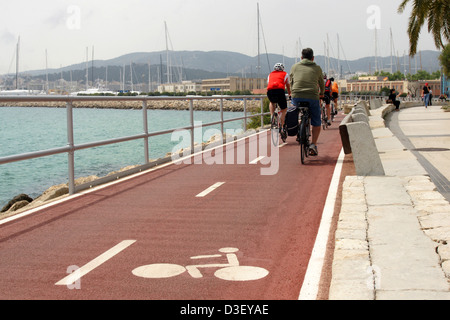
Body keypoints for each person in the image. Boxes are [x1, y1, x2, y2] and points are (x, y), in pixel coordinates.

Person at [290, 48, 325, 156]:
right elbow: (321, 83)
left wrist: (293, 92)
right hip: (312, 96)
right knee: (316, 120)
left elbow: (291, 81)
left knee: (297, 110)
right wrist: (322, 94)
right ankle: (313, 144)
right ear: (313, 58)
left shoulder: (294, 67)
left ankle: (300, 125)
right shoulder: (317, 68)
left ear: (301, 58)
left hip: (296, 96)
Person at [267, 62, 291, 140]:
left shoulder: (270, 74)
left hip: (270, 91)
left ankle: (272, 116)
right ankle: (282, 123)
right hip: (280, 91)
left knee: (271, 102)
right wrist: (290, 94)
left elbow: (268, 83)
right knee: (284, 109)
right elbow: (287, 85)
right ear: (282, 69)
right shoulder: (285, 74)